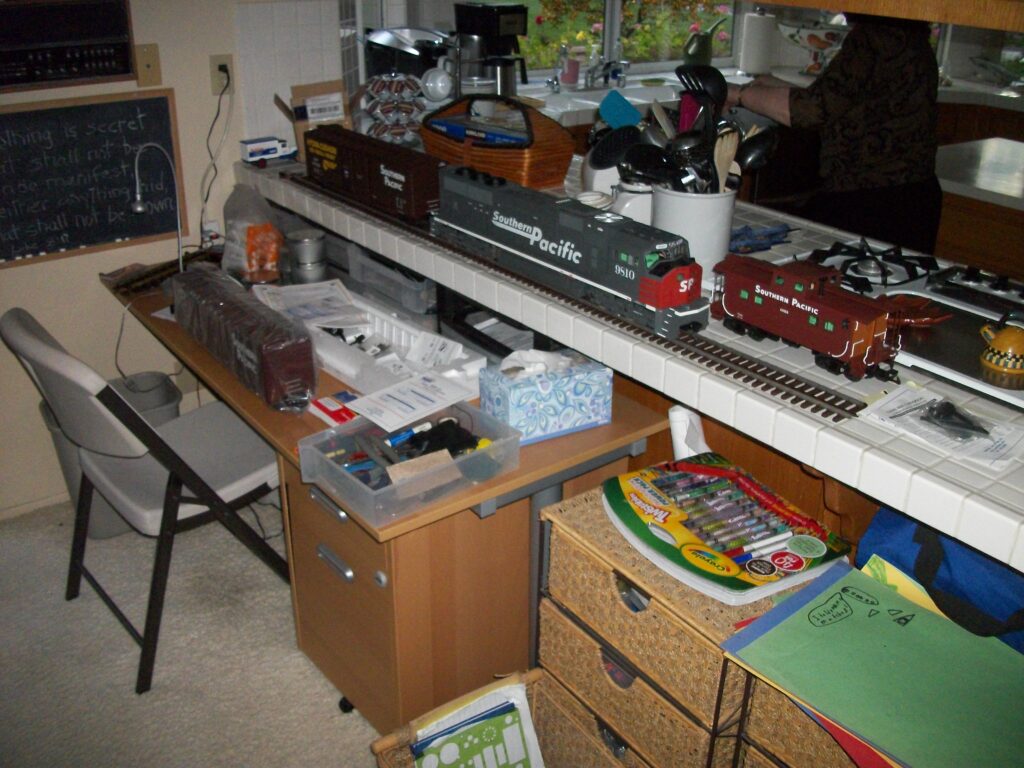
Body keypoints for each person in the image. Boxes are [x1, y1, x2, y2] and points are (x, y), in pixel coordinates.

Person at [726, 14, 942, 254]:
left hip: (872, 201)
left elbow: (813, 110)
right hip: (915, 196)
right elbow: (844, 102)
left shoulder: (874, 36)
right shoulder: (910, 35)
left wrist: (737, 94)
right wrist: (765, 87)